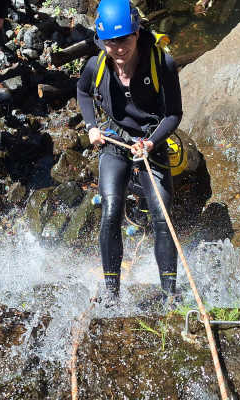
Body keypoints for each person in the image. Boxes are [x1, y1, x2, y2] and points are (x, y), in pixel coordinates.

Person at [76, 0, 183, 302]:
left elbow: (174, 114)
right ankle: (112, 294)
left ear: (137, 33)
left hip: (152, 145)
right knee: (111, 211)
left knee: (162, 215)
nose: (118, 48)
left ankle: (169, 295)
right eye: (111, 42)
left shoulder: (162, 63)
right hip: (115, 144)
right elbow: (83, 91)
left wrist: (151, 143)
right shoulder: (97, 65)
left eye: (123, 40)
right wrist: (91, 126)